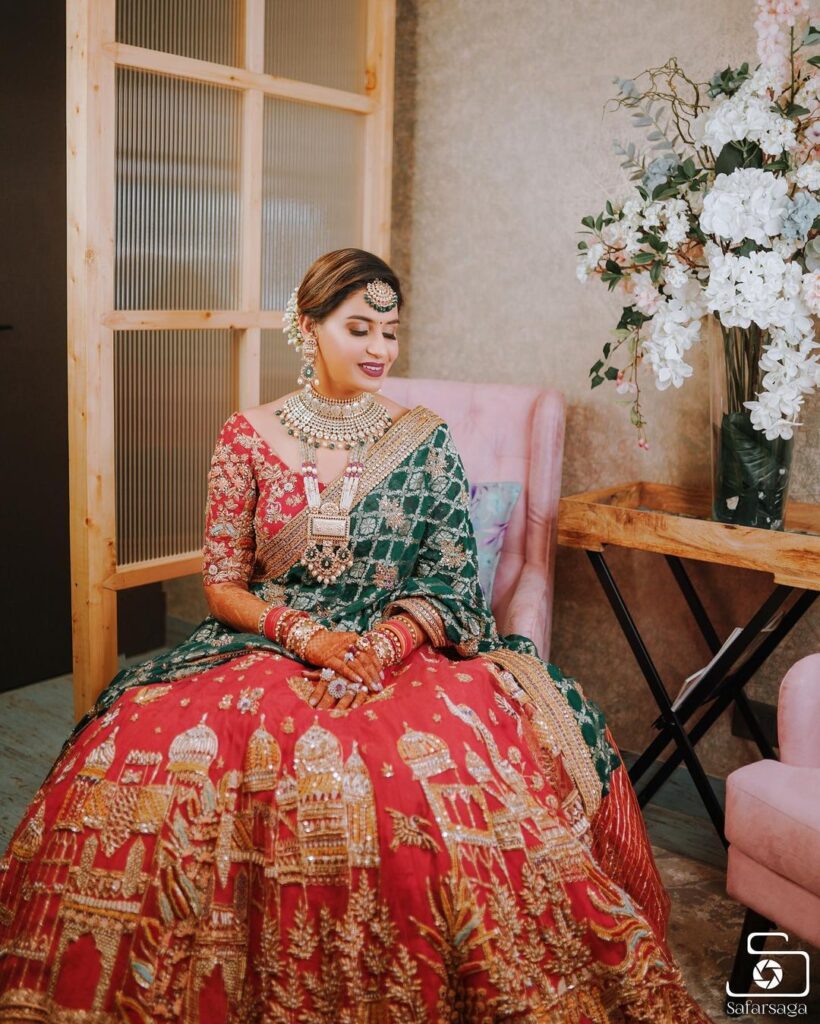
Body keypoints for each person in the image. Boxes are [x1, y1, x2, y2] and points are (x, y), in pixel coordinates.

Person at [0, 248, 712, 1022]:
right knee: (142, 744)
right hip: (268, 644)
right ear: (306, 329)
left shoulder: (422, 439)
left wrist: (376, 648)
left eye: (391, 331)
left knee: (418, 784)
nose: (379, 349)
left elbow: (447, 581)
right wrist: (306, 636)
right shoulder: (249, 436)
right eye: (358, 328)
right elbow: (222, 583)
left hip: (402, 648)